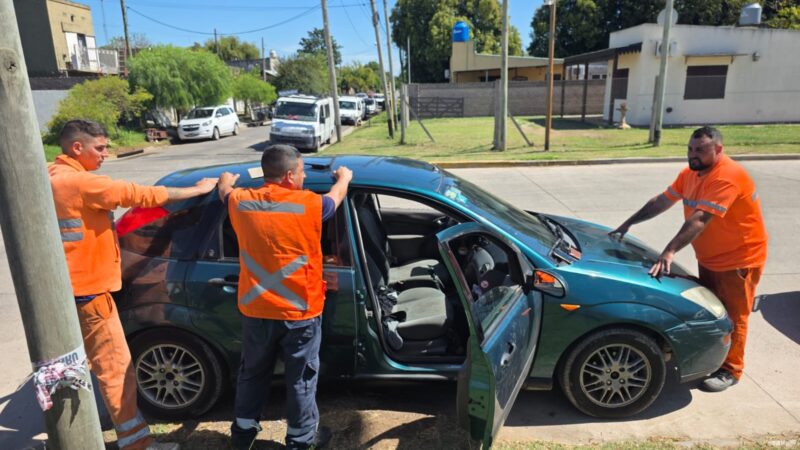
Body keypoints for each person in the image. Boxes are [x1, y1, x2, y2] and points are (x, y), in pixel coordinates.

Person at [49, 119, 219, 450]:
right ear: (77, 147)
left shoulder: (49, 175)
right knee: (116, 371)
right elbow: (139, 195)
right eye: (100, 148)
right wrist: (196, 191)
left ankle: (72, 438)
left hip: (64, 292)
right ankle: (136, 444)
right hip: (90, 293)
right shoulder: (81, 183)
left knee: (67, 370)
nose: (105, 154)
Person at [609, 126, 768, 393]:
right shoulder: (690, 173)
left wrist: (669, 251)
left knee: (734, 316)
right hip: (711, 257)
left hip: (739, 261)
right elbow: (662, 201)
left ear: (718, 149)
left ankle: (731, 369)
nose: (693, 155)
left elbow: (700, 219)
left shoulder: (727, 177)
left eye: (701, 150)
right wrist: (629, 222)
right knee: (714, 310)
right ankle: (715, 356)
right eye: (690, 149)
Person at [217, 144, 352, 450]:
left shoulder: (240, 201)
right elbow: (335, 198)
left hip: (257, 310)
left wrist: (225, 180)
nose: (304, 177)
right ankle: (300, 440)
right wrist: (344, 177)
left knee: (252, 373)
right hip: (299, 312)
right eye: (302, 172)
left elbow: (224, 192)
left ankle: (243, 436)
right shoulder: (309, 204)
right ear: (290, 175)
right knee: (301, 378)